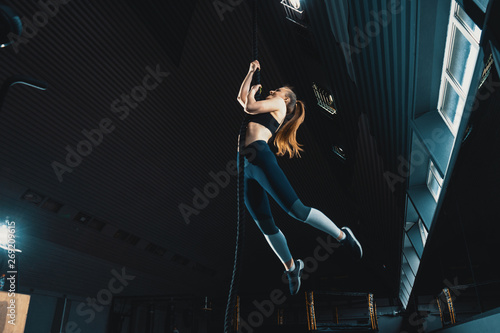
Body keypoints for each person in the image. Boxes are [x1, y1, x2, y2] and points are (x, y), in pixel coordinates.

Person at [236, 60, 363, 295]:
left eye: (278, 91)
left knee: (297, 210)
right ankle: (292, 268)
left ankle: (343, 235)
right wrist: (250, 72)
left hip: (260, 158)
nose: (274, 90)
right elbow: (242, 100)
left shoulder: (279, 105)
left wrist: (253, 92)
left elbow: (249, 107)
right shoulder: (270, 102)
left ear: (286, 99)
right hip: (245, 166)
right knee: (265, 225)